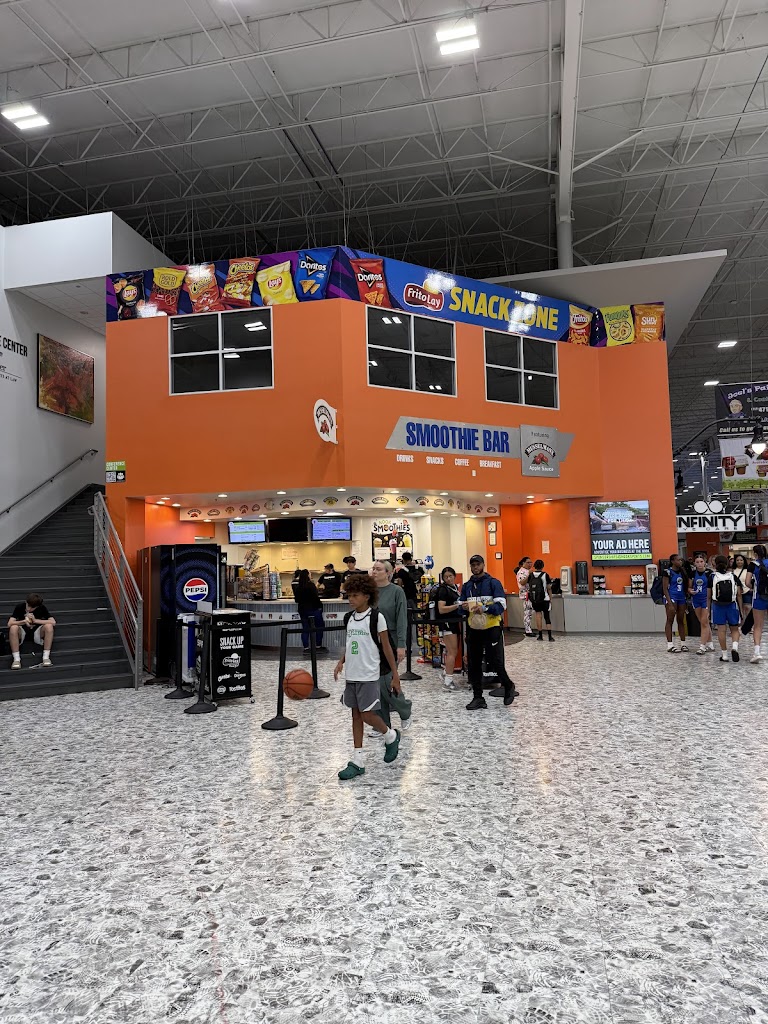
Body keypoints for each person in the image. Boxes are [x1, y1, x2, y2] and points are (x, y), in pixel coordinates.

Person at [334, 574, 402, 780]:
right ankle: (358, 760)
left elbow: (387, 648)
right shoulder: (349, 618)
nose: (351, 599)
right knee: (355, 716)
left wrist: (395, 675)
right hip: (352, 675)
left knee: (367, 715)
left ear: (367, 596)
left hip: (369, 675)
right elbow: (351, 644)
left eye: (355, 595)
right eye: (349, 595)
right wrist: (341, 661)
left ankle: (390, 735)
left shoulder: (376, 618)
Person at [460, 554, 515, 709]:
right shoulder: (467, 586)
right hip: (474, 629)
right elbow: (460, 607)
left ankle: (508, 685)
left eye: (477, 564)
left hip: (492, 628)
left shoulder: (493, 583)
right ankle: (478, 697)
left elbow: (501, 606)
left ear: (483, 565)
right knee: (474, 663)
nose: (475, 567)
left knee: (494, 660)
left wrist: (484, 608)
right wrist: (463, 607)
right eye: (473, 565)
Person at [370, 560, 412, 730]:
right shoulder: (369, 592)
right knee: (375, 683)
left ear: (388, 573)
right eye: (373, 569)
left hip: (391, 641)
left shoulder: (397, 592)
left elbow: (402, 619)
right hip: (372, 642)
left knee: (387, 681)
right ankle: (383, 724)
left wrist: (401, 645)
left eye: (378, 569)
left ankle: (404, 710)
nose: (374, 571)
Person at [8, 593, 55, 669]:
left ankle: (46, 657)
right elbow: (9, 623)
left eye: (32, 608)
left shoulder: (42, 608)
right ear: (26, 602)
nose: (29, 609)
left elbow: (53, 622)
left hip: (37, 633)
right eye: (28, 606)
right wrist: (23, 621)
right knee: (13, 628)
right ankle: (16, 659)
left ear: (37, 606)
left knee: (49, 626)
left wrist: (35, 620)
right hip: (22, 632)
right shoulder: (20, 607)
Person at [711, 554, 743, 662]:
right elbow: (739, 594)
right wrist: (741, 610)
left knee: (721, 630)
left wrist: (708, 609)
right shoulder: (733, 576)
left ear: (715, 564)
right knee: (734, 629)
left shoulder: (712, 576)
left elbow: (709, 595)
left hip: (717, 605)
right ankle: (734, 647)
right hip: (732, 605)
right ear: (727, 563)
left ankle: (724, 655)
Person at [435, 566, 463, 689]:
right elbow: (441, 609)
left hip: (454, 622)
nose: (448, 579)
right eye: (446, 577)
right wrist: (457, 606)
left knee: (453, 650)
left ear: (454, 576)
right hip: (447, 622)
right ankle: (448, 681)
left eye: (450, 576)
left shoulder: (454, 588)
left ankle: (446, 673)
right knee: (452, 652)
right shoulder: (443, 590)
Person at [291, 569, 325, 654]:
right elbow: (315, 598)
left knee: (305, 628)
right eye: (309, 574)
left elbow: (296, 600)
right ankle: (318, 646)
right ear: (307, 576)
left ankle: (306, 648)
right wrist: (320, 607)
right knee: (319, 627)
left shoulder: (298, 587)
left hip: (303, 610)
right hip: (314, 609)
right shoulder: (311, 585)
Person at [662, 554, 689, 653]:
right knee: (670, 620)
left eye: (681, 560)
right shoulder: (667, 572)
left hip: (681, 597)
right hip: (672, 597)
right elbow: (665, 588)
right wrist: (669, 603)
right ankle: (670, 645)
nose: (680, 562)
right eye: (678, 560)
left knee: (681, 620)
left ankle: (683, 644)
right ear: (672, 561)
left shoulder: (683, 571)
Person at [689, 555, 714, 655]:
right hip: (696, 599)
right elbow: (689, 587)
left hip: (706, 599)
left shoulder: (709, 573)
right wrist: (690, 590)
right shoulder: (692, 573)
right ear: (694, 563)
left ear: (705, 562)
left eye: (701, 561)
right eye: (697, 562)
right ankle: (710, 644)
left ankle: (702, 646)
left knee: (704, 622)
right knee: (704, 622)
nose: (699, 564)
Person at [749, 543, 768, 663]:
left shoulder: (753, 565)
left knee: (758, 626)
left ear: (755, 554)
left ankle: (757, 652)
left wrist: (754, 587)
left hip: (759, 597)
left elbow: (747, 582)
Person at [528, 559, 554, 642]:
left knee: (538, 616)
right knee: (547, 616)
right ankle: (550, 636)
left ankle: (540, 636)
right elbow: (549, 588)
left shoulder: (531, 575)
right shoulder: (545, 575)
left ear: (534, 566)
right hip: (545, 598)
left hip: (535, 599)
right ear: (542, 566)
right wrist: (550, 598)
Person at [516, 557, 534, 637]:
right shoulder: (521, 572)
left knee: (530, 613)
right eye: (528, 562)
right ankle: (528, 630)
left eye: (531, 563)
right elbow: (522, 582)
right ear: (523, 563)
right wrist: (529, 575)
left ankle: (529, 629)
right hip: (526, 594)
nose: (530, 564)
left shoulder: (528, 571)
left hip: (531, 594)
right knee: (527, 612)